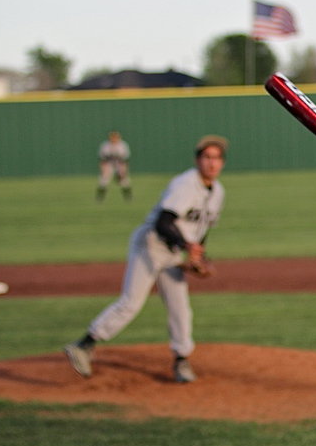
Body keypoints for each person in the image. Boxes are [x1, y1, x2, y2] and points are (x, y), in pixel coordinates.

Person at [63, 135, 228, 384]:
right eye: (206, 157)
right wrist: (186, 247)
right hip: (150, 244)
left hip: (173, 251)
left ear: (223, 163)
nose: (211, 163)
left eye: (216, 158)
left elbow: (199, 232)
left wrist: (197, 259)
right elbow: (164, 222)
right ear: (197, 160)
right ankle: (84, 345)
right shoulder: (185, 184)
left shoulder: (218, 192)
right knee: (131, 302)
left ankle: (181, 360)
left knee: (180, 308)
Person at [97, 130, 132, 201]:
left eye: (115, 137)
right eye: (112, 137)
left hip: (119, 164)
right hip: (108, 164)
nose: (114, 138)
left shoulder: (122, 145)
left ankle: (128, 197)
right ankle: (100, 198)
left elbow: (125, 160)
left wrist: (123, 171)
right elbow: (102, 160)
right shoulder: (105, 145)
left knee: (124, 181)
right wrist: (103, 169)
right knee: (103, 180)